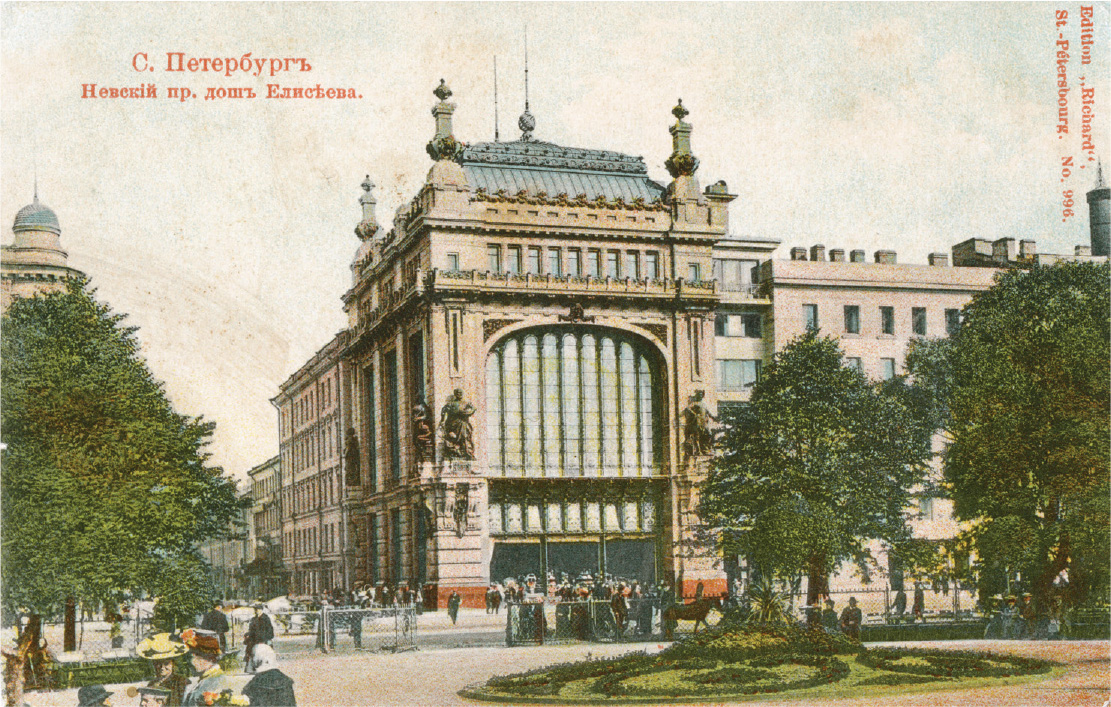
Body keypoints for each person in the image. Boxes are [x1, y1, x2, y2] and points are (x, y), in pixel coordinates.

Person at [180, 628, 240, 707]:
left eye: (195, 656)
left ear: (210, 657)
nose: (191, 662)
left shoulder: (215, 680)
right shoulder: (207, 677)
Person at [134, 632, 190, 706]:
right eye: (158, 664)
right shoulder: (152, 684)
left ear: (173, 664)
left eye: (166, 663)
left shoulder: (180, 682)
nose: (162, 667)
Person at [439, 389, 476, 460]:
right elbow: (444, 410)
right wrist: (442, 420)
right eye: (458, 393)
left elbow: (473, 409)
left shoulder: (466, 403)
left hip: (463, 423)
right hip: (453, 424)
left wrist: (468, 412)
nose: (459, 394)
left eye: (461, 393)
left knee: (464, 437)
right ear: (455, 394)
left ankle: (467, 453)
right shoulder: (451, 403)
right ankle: (456, 453)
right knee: (454, 438)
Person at [244, 604, 275, 670]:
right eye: (255, 610)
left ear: (261, 610)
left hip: (264, 638)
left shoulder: (266, 618)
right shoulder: (254, 619)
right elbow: (251, 630)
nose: (257, 611)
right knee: (249, 647)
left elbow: (270, 630)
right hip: (255, 638)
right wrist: (248, 634)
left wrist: (265, 637)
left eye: (258, 610)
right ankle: (250, 664)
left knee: (268, 648)